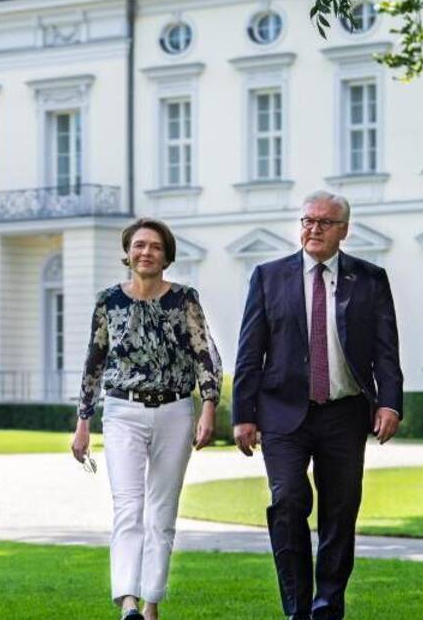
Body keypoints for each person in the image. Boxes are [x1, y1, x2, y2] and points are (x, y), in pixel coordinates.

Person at [232, 191, 404, 620]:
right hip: (282, 412)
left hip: (345, 413)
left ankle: (327, 608)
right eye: (308, 220)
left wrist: (390, 403)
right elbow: (250, 352)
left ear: (344, 230)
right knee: (288, 502)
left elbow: (386, 349)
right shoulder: (269, 277)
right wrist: (243, 414)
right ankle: (297, 610)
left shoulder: (369, 279)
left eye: (325, 222)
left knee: (340, 513)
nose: (314, 229)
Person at [72, 217, 222, 620]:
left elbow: (205, 354)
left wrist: (209, 405)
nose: (146, 252)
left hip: (175, 411)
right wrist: (82, 421)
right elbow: (94, 361)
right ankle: (128, 603)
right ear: (128, 252)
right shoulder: (109, 301)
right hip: (122, 411)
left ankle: (151, 601)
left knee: (162, 511)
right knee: (127, 506)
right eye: (139, 245)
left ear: (166, 256)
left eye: (155, 246)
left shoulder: (185, 299)